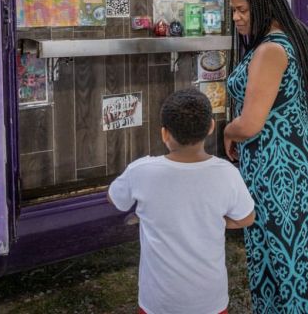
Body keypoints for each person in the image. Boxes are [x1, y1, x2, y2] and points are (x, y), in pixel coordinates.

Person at [224, 0, 308, 313]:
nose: (236, 18)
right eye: (233, 10)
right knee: (307, 247)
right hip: (306, 155)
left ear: (261, 5)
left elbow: (252, 124)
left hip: (277, 168)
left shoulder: (269, 50)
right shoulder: (298, 35)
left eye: (242, 9)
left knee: (279, 251)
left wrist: (228, 132)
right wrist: (290, 114)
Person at [108, 89, 255, 314]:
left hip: (157, 303)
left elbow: (115, 198)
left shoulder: (141, 171)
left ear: (164, 134)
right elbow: (246, 218)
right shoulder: (226, 173)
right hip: (209, 302)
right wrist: (217, 220)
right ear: (211, 127)